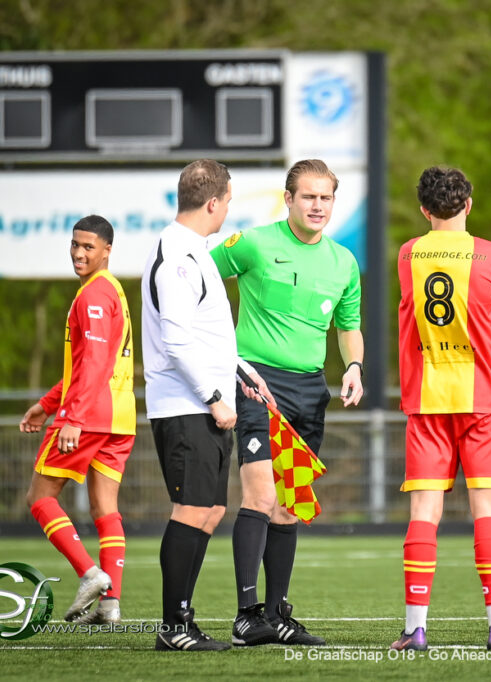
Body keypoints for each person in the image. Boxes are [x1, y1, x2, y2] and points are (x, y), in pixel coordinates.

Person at [210, 158, 363, 647]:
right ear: (289, 199)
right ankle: (245, 616)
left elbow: (349, 325)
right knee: (259, 496)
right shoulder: (253, 243)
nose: (318, 205)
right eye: (309, 196)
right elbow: (198, 281)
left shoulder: (344, 261)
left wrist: (354, 367)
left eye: (326, 197)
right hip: (256, 382)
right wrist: (219, 354)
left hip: (311, 389)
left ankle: (275, 614)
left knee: (290, 507)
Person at [390, 166, 491, 653]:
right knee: (488, 514)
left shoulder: (408, 253)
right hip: (481, 402)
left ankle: (415, 629)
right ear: (469, 204)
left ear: (424, 209)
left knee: (423, 514)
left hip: (427, 401)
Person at [142, 159, 270, 652]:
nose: (228, 211)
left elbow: (204, 335)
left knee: (212, 509)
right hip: (187, 405)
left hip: (204, 402)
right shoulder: (178, 257)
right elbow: (176, 342)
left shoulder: (194, 251)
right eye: (229, 202)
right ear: (213, 203)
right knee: (193, 509)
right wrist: (215, 397)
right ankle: (173, 627)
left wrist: (242, 372)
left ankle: (182, 621)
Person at [20, 215, 136, 625]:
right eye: (75, 245)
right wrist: (48, 403)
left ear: (107, 250)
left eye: (89, 247)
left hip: (90, 417)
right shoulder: (113, 291)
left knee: (39, 497)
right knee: (106, 509)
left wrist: (71, 417)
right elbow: (86, 363)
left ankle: (89, 573)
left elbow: (96, 365)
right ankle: (109, 605)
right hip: (120, 419)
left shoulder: (92, 296)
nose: (79, 253)